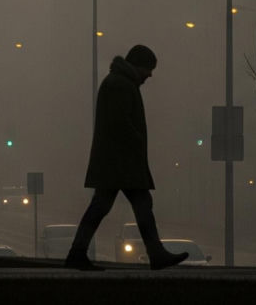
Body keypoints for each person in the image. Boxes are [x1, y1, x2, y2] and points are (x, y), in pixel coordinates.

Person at [65, 44, 188, 271]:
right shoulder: (120, 85)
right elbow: (119, 123)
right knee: (131, 207)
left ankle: (78, 253)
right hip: (120, 163)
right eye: (148, 69)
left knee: (109, 206)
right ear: (137, 66)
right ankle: (155, 254)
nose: (150, 75)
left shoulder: (119, 83)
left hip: (117, 162)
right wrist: (137, 140)